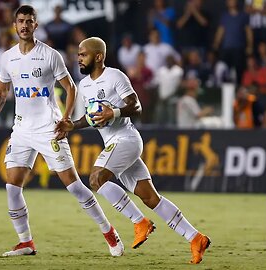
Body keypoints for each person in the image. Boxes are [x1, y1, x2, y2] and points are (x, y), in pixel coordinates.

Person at [0, 5, 123, 257]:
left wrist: (65, 119)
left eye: (29, 21)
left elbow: (71, 88)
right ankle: (26, 242)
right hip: (21, 128)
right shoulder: (7, 58)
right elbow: (2, 92)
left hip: (49, 128)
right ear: (15, 25)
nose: (24, 25)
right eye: (20, 21)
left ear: (36, 25)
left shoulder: (50, 55)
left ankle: (109, 232)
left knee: (74, 186)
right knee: (12, 185)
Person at [55, 37, 211, 264]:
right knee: (150, 197)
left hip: (126, 139)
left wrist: (114, 112)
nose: (79, 58)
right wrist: (73, 125)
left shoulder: (115, 76)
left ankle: (140, 222)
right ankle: (195, 237)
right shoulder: (85, 85)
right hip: (115, 143)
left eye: (83, 54)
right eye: (78, 55)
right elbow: (91, 117)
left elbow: (136, 106)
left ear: (98, 56)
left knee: (97, 178)